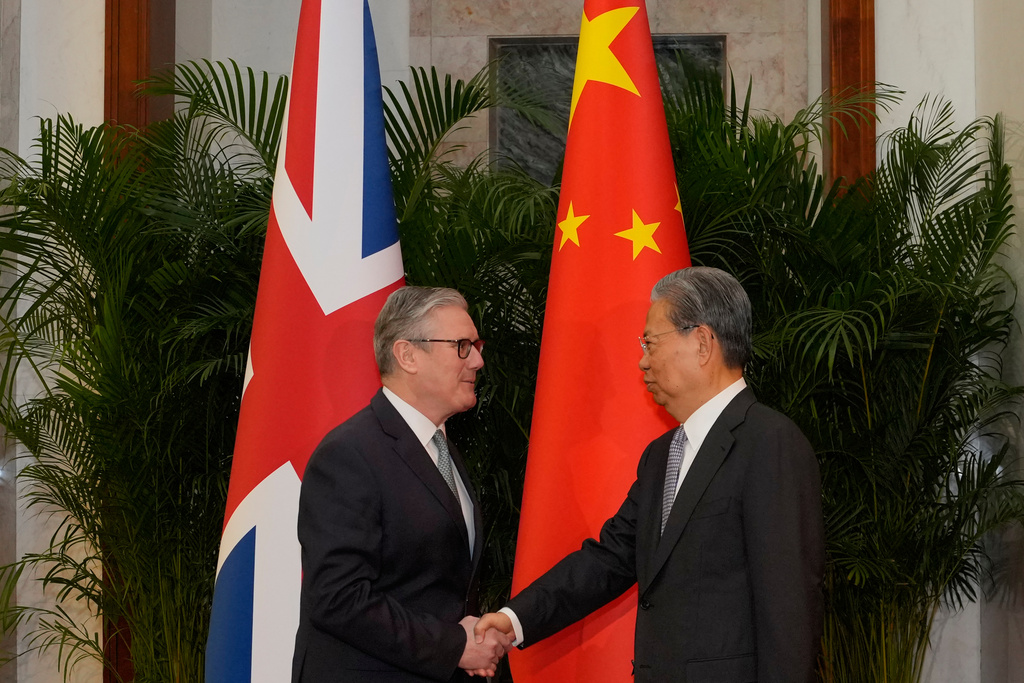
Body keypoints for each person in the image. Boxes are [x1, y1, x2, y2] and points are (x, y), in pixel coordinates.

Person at [475, 267, 825, 682]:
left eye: (650, 342)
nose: (642, 361)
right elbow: (609, 559)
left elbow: (788, 610)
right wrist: (514, 618)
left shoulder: (769, 443)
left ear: (701, 343)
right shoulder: (662, 455)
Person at [292, 286, 510, 682]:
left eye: (476, 345)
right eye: (462, 345)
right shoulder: (349, 454)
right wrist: (453, 645)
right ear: (407, 355)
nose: (477, 360)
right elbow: (338, 598)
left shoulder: (441, 448)